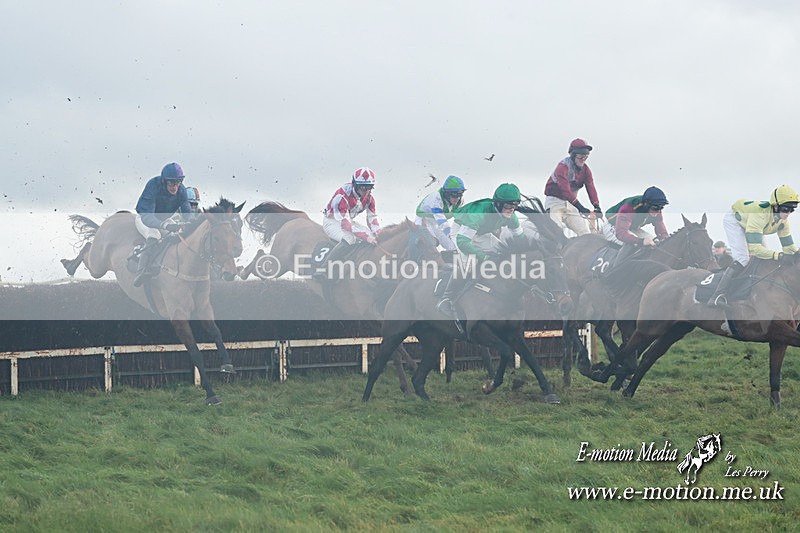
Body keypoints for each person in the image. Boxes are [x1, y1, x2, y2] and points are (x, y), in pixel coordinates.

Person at [436, 182, 525, 319]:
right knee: (468, 265)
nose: (511, 209)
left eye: (514, 205)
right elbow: (463, 241)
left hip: (481, 233)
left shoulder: (511, 216)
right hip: (461, 232)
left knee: (503, 253)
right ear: (498, 204)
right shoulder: (479, 213)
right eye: (508, 205)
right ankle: (446, 298)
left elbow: (521, 239)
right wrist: (483, 257)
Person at [707, 184, 800, 307]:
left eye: (792, 209)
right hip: (735, 220)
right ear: (775, 206)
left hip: (751, 223)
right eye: (785, 209)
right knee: (743, 258)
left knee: (765, 255)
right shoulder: (759, 215)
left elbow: (789, 248)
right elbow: (755, 249)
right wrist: (780, 256)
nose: (788, 213)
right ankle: (717, 295)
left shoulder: (783, 222)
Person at [133, 162, 193, 286]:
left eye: (178, 182)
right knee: (154, 235)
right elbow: (148, 218)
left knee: (178, 236)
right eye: (171, 183)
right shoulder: (153, 186)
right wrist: (165, 226)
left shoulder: (181, 190)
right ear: (164, 181)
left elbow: (188, 213)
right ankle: (141, 270)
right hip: (144, 218)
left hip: (164, 219)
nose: (175, 187)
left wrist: (191, 223)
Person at [321, 167, 381, 267]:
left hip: (347, 220)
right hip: (332, 221)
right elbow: (345, 225)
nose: (366, 191)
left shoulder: (370, 199)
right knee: (350, 238)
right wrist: (366, 237)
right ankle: (324, 269)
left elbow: (372, 220)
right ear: (355, 185)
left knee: (371, 234)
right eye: (363, 187)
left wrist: (379, 235)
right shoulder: (342, 196)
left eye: (369, 187)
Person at [544, 138, 603, 236]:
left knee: (585, 233)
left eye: (586, 156)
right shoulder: (562, 167)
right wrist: (580, 207)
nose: (583, 159)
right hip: (554, 203)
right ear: (572, 155)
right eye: (580, 156)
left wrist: (596, 206)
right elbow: (565, 191)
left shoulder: (586, 170)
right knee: (556, 231)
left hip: (571, 204)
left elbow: (591, 187)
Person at [602, 186, 670, 268]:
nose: (658, 211)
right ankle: (614, 271)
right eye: (655, 208)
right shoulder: (629, 208)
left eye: (661, 207)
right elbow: (621, 234)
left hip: (632, 228)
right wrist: (641, 241)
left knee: (653, 242)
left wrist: (665, 241)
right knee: (632, 243)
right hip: (613, 225)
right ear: (646, 204)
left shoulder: (656, 210)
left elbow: (662, 232)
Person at [414, 175, 466, 252]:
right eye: (455, 195)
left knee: (453, 245)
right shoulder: (436, 197)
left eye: (460, 194)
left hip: (438, 222)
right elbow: (441, 220)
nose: (458, 198)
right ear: (447, 194)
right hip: (424, 220)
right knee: (430, 243)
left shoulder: (460, 201)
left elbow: (461, 219)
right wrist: (450, 233)